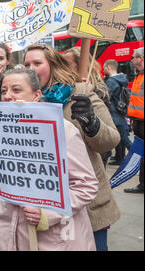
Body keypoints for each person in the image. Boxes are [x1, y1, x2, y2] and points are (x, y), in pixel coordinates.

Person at [24, 44, 120, 251]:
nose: (30, 68)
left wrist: (92, 124)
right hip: (48, 205)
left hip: (87, 203)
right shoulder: (26, 102)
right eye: (26, 64)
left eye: (37, 63)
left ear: (53, 65)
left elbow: (112, 140)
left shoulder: (80, 93)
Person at [0, 68, 99, 250]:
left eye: (16, 90)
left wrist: (48, 214)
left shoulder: (61, 130)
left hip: (54, 238)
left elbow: (86, 185)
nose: (7, 96)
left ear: (36, 95)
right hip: (10, 236)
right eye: (3, 91)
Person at [103, 59, 132, 166]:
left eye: (104, 68)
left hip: (114, 113)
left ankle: (138, 157)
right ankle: (119, 158)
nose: (104, 70)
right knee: (120, 137)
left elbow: (106, 96)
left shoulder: (111, 81)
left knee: (124, 138)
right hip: (120, 111)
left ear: (108, 68)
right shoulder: (121, 79)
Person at [124, 47, 144, 194]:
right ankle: (142, 184)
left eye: (133, 57)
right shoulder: (138, 76)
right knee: (141, 155)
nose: (131, 60)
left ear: (141, 59)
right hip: (138, 122)